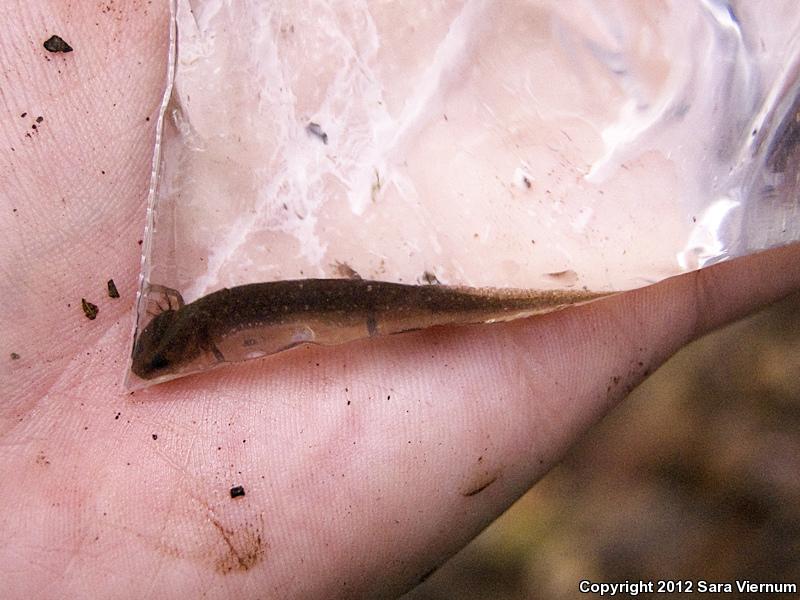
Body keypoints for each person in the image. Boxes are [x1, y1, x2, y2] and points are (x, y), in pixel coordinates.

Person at [1, 5, 799, 598]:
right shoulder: (189, 321)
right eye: (166, 350)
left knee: (408, 309)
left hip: (356, 299)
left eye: (165, 351)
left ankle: (470, 300)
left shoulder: (202, 323)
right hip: (334, 299)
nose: (161, 360)